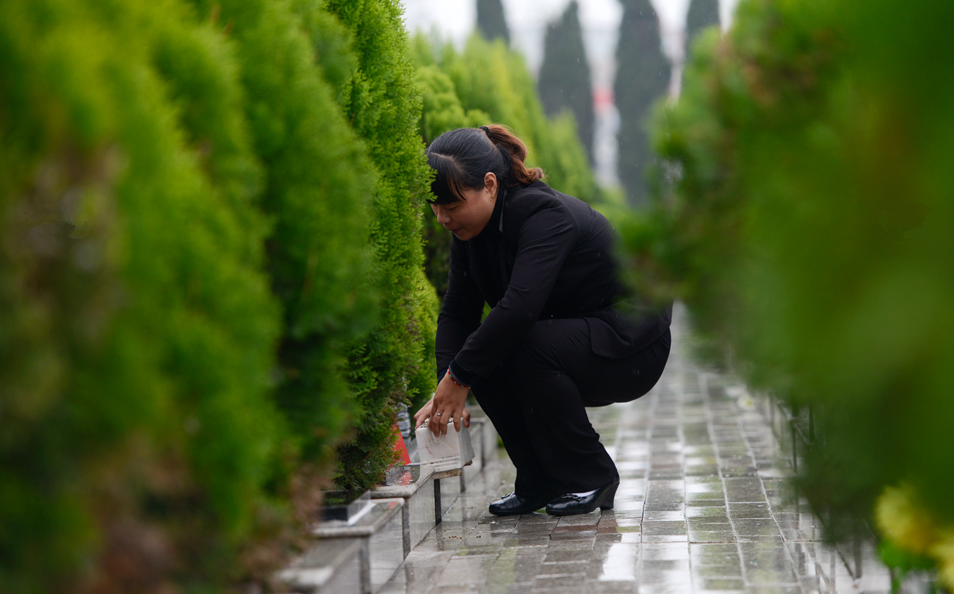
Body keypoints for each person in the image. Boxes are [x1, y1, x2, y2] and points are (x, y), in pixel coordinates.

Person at [413, 125, 672, 516]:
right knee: (486, 356)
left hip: (632, 344)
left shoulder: (542, 214)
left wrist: (459, 375)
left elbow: (520, 307)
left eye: (451, 207)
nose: (443, 219)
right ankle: (538, 482)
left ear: (489, 184)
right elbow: (457, 310)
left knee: (514, 347)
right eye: (436, 210)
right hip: (568, 336)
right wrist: (446, 385)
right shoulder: (470, 233)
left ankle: (591, 476)